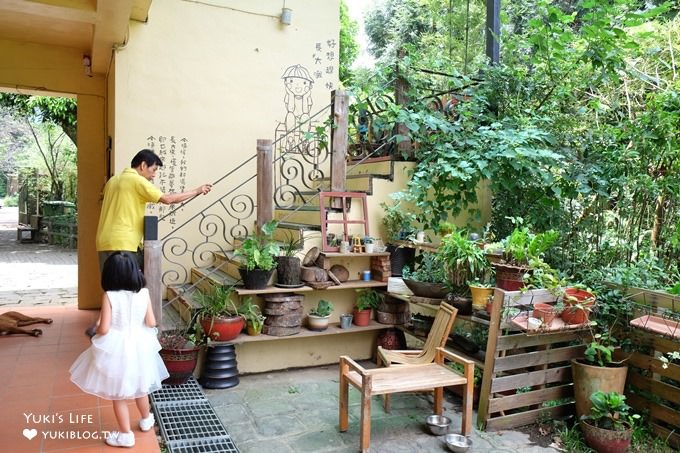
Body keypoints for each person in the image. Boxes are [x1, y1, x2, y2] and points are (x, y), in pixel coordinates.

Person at [70, 252, 169, 448]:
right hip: (140, 344)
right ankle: (146, 418)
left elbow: (104, 328)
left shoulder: (109, 296)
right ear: (135, 272)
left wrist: (96, 328)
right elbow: (151, 322)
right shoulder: (144, 293)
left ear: (109, 275)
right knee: (141, 386)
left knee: (118, 394)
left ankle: (125, 435)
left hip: (118, 347)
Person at [95, 148, 212, 271]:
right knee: (129, 285)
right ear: (143, 165)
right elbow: (167, 199)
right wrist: (197, 191)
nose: (154, 174)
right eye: (154, 169)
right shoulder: (137, 180)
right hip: (124, 243)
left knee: (109, 286)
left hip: (103, 241)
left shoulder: (112, 181)